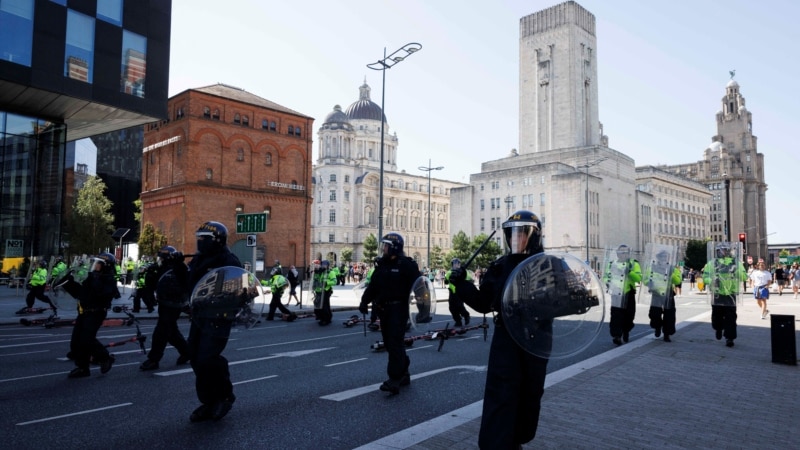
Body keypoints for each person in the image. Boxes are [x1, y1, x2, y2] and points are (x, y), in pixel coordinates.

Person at [447, 210, 548, 448]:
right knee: (501, 391)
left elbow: (566, 299)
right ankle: (496, 444)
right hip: (507, 337)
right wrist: (462, 283)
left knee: (531, 393)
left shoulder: (548, 265)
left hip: (537, 338)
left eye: (522, 233)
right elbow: (483, 303)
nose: (516, 239)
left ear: (534, 237)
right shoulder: (500, 267)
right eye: (511, 234)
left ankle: (516, 439)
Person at [173, 221, 243, 422]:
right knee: (195, 358)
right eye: (199, 237)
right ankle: (208, 401)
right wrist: (178, 265)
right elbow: (187, 284)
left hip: (219, 318)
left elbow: (241, 290)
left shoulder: (228, 260)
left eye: (204, 238)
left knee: (208, 358)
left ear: (217, 240)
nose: (200, 241)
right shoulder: (198, 259)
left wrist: (222, 301)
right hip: (200, 316)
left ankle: (224, 396)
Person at [359, 232, 421, 395]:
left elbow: (420, 286)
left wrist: (423, 310)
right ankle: (404, 371)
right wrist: (364, 301)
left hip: (399, 309)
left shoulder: (407, 265)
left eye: (386, 246)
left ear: (394, 248)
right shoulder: (382, 265)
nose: (383, 249)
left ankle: (394, 379)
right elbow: (373, 286)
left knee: (394, 343)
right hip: (383, 309)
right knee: (391, 343)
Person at [64, 253, 119, 378]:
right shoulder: (92, 277)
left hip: (96, 312)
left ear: (106, 265)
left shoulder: (108, 279)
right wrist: (68, 283)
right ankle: (83, 368)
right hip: (84, 311)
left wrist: (94, 278)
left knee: (86, 339)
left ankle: (104, 358)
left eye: (98, 263)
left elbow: (101, 293)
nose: (95, 265)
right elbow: (81, 293)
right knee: (76, 341)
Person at [139, 246, 191, 371]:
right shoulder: (162, 268)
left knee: (160, 333)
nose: (159, 260)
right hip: (164, 304)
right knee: (172, 333)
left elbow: (185, 277)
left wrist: (179, 262)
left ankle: (154, 359)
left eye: (162, 258)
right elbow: (152, 285)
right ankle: (187, 352)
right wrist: (150, 273)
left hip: (173, 305)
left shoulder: (178, 268)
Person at [702, 242, 747, 348]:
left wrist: (737, 272)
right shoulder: (712, 263)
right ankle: (718, 328)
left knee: (731, 318)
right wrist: (712, 280)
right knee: (716, 317)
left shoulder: (736, 263)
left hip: (731, 294)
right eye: (721, 250)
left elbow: (744, 277)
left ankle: (729, 338)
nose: (724, 252)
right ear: (717, 251)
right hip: (718, 293)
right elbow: (705, 277)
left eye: (726, 250)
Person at [603, 244, 642, 345]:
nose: (623, 255)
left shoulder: (633, 264)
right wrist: (608, 282)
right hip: (616, 293)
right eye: (621, 252)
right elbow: (606, 276)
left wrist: (629, 272)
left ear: (628, 254)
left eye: (625, 253)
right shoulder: (612, 264)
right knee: (616, 315)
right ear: (617, 254)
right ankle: (617, 336)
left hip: (628, 292)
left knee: (629, 315)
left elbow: (638, 278)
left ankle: (626, 330)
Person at [643, 249, 682, 342]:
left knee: (669, 315)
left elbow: (678, 281)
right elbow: (645, 280)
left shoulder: (672, 268)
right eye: (661, 256)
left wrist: (671, 275)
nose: (663, 258)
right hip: (656, 293)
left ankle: (667, 334)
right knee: (654, 314)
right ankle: (657, 327)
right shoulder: (652, 267)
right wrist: (650, 283)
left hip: (668, 294)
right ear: (658, 258)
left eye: (665, 257)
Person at [445, 258, 471, 327]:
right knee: (452, 307)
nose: (455, 265)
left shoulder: (463, 272)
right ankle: (458, 321)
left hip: (460, 292)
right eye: (454, 264)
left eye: (457, 263)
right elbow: (446, 281)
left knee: (459, 306)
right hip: (452, 293)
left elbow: (469, 279)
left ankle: (466, 316)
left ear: (459, 264)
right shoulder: (449, 272)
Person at [312, 260, 336, 326]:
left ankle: (326, 319)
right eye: (323, 265)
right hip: (319, 291)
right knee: (317, 304)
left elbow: (334, 281)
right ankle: (320, 316)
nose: (324, 266)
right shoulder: (320, 272)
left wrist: (327, 282)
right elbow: (316, 279)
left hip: (326, 290)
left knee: (324, 305)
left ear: (328, 265)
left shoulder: (331, 272)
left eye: (325, 265)